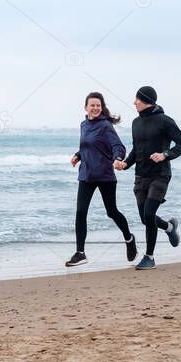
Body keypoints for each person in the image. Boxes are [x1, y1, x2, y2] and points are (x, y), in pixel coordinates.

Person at [113, 86, 181, 269]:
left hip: (160, 175)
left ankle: (150, 257)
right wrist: (125, 163)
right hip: (141, 176)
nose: (134, 102)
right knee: (145, 218)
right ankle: (170, 228)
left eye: (137, 99)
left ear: (146, 100)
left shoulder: (164, 121)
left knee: (148, 214)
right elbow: (136, 150)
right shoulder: (135, 123)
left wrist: (165, 154)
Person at [66, 92, 138, 267]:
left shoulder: (105, 125)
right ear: (86, 107)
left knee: (111, 211)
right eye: (92, 105)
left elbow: (118, 146)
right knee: (80, 212)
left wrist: (118, 158)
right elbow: (88, 146)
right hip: (86, 175)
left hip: (105, 175)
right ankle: (80, 253)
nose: (96, 108)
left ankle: (129, 239)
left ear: (102, 107)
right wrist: (78, 155)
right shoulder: (83, 125)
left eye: (98, 105)